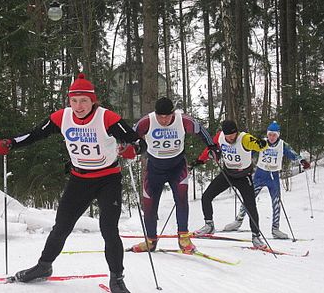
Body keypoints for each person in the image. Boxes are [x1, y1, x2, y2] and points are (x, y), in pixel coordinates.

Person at [0, 73, 147, 293]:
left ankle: (116, 278)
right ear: (69, 100)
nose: (78, 106)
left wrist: (133, 149)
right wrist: (11, 143)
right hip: (80, 179)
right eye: (74, 100)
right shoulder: (61, 117)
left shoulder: (107, 118)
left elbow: (138, 142)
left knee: (109, 229)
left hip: (108, 179)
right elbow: (35, 134)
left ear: (93, 100)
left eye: (84, 100)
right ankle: (43, 266)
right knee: (61, 227)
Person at [125, 97, 219, 254]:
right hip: (154, 169)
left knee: (182, 200)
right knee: (149, 205)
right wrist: (127, 148)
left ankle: (183, 239)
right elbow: (131, 136)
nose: (163, 120)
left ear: (173, 113)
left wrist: (212, 147)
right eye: (160, 116)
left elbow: (201, 130)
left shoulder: (182, 120)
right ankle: (150, 241)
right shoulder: (146, 122)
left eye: (167, 116)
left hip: (177, 167)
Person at [223, 121, 311, 239]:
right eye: (269, 134)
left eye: (274, 135)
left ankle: (275, 229)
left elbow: (293, 154)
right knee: (248, 199)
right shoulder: (261, 143)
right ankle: (238, 221)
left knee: (276, 202)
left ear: (278, 135)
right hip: (260, 174)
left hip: (273, 176)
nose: (271, 137)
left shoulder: (282, 145)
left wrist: (302, 161)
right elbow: (247, 150)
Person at [192, 120, 269, 248]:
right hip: (227, 174)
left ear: (236, 132)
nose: (230, 138)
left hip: (244, 176)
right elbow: (210, 148)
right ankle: (209, 225)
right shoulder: (220, 136)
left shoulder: (244, 138)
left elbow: (258, 145)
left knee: (250, 206)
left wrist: (263, 143)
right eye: (228, 135)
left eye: (233, 135)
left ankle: (256, 236)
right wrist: (200, 160)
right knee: (206, 196)